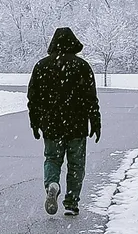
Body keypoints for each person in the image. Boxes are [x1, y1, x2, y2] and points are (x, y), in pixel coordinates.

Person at [26, 26, 101, 217]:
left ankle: (52, 184)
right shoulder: (82, 66)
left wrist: (35, 122)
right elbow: (91, 98)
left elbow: (33, 98)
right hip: (77, 125)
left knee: (52, 158)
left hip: (51, 125)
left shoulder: (42, 66)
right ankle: (71, 202)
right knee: (76, 165)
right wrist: (95, 122)